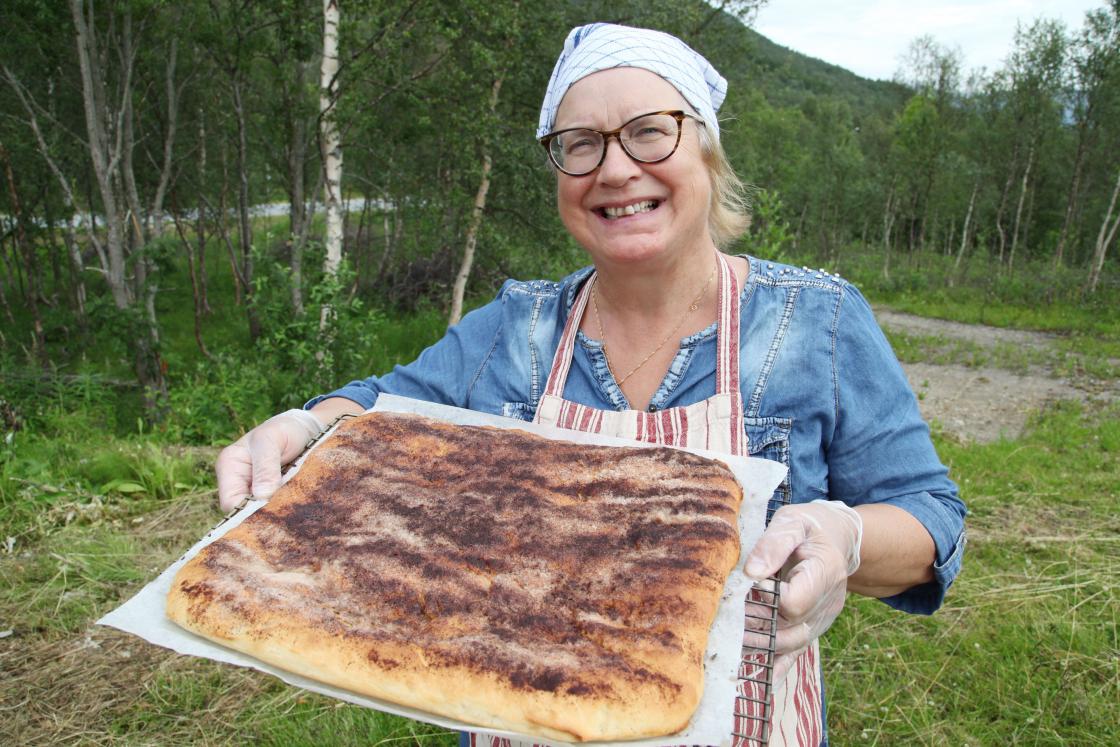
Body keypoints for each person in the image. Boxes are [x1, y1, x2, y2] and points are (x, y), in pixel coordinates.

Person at [215, 23, 965, 747]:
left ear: (705, 150)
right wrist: (303, 425)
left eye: (648, 131)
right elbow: (376, 408)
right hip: (527, 710)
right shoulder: (515, 327)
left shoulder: (818, 322)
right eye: (581, 145)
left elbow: (930, 520)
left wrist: (846, 537)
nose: (614, 169)